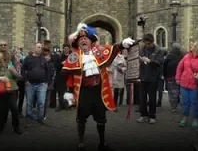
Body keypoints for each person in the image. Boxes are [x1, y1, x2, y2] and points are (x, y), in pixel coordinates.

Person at [62, 23, 135, 151]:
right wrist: (69, 91)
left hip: (99, 91)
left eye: (86, 38)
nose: (83, 40)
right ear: (77, 43)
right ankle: (81, 141)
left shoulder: (99, 51)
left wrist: (122, 43)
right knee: (81, 118)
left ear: (91, 41)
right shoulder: (74, 56)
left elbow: (112, 50)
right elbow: (67, 73)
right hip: (83, 92)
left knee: (101, 118)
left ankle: (102, 143)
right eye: (80, 39)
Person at [175, 41, 198, 129]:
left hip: (195, 84)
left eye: (193, 45)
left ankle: (195, 118)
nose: (191, 46)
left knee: (195, 102)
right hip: (184, 83)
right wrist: (177, 78)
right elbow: (180, 67)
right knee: (185, 102)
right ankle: (185, 117)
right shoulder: (186, 56)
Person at [0, 52, 22, 135]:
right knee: (0, 111)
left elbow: (19, 77)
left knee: (14, 109)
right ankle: (0, 127)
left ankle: (16, 126)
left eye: (3, 60)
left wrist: (14, 72)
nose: (2, 62)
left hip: (11, 90)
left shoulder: (10, 67)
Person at [136, 34, 164, 124]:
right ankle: (143, 115)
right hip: (143, 76)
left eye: (149, 44)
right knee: (142, 98)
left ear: (152, 42)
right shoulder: (142, 49)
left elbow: (160, 62)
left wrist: (150, 61)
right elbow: (139, 58)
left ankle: (152, 116)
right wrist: (140, 59)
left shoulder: (158, 50)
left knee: (152, 98)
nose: (147, 46)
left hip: (153, 77)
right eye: (145, 44)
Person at [22, 42, 49, 123]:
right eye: (38, 47)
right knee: (29, 102)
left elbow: (47, 71)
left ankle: (40, 118)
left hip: (41, 84)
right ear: (34, 48)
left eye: (41, 47)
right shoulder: (27, 58)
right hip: (30, 84)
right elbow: (23, 69)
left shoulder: (43, 59)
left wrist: (46, 82)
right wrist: (26, 80)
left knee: (41, 102)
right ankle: (29, 117)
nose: (40, 49)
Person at [163, 42, 184, 112]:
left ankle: (173, 107)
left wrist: (164, 75)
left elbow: (164, 66)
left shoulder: (169, 55)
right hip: (181, 77)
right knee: (180, 91)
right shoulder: (183, 55)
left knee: (172, 92)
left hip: (170, 76)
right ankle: (182, 105)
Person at [54, 44, 71, 111]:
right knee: (60, 91)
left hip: (68, 76)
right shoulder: (59, 56)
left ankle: (67, 105)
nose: (66, 49)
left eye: (67, 48)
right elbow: (56, 66)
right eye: (65, 48)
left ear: (69, 49)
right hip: (60, 76)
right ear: (63, 49)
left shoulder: (71, 56)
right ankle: (60, 105)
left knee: (68, 92)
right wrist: (61, 64)